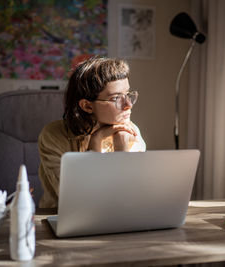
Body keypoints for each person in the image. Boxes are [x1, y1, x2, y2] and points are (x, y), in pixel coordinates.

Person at [37, 57, 146, 208]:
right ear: (87, 106)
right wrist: (95, 144)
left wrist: (122, 147)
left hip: (116, 219)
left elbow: (130, 198)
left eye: (128, 94)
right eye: (116, 98)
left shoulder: (128, 130)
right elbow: (77, 201)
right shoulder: (53, 135)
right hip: (59, 217)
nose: (128, 105)